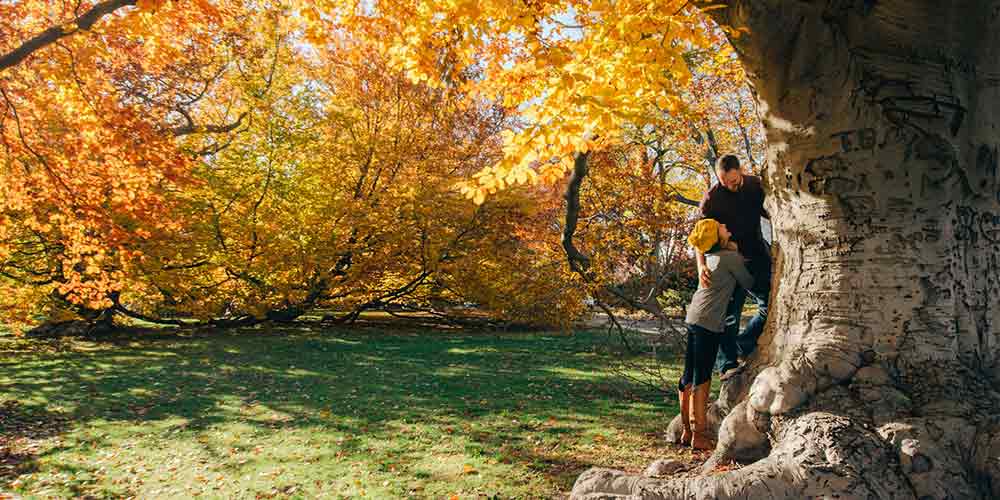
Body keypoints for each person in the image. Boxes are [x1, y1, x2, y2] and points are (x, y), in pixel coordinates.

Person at [680, 219, 753, 449]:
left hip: (694, 316)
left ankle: (686, 431)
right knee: (701, 376)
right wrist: (738, 253)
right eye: (721, 227)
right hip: (708, 322)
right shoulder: (729, 258)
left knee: (688, 374)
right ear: (716, 236)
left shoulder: (711, 258)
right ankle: (699, 435)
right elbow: (748, 281)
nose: (725, 226)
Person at [697, 154, 771, 381]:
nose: (730, 185)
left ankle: (742, 345)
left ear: (741, 171)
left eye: (734, 181)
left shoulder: (755, 186)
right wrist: (701, 267)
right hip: (727, 259)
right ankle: (727, 363)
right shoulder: (712, 199)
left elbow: (772, 213)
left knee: (769, 306)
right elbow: (700, 236)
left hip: (757, 255)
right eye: (724, 182)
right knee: (728, 316)